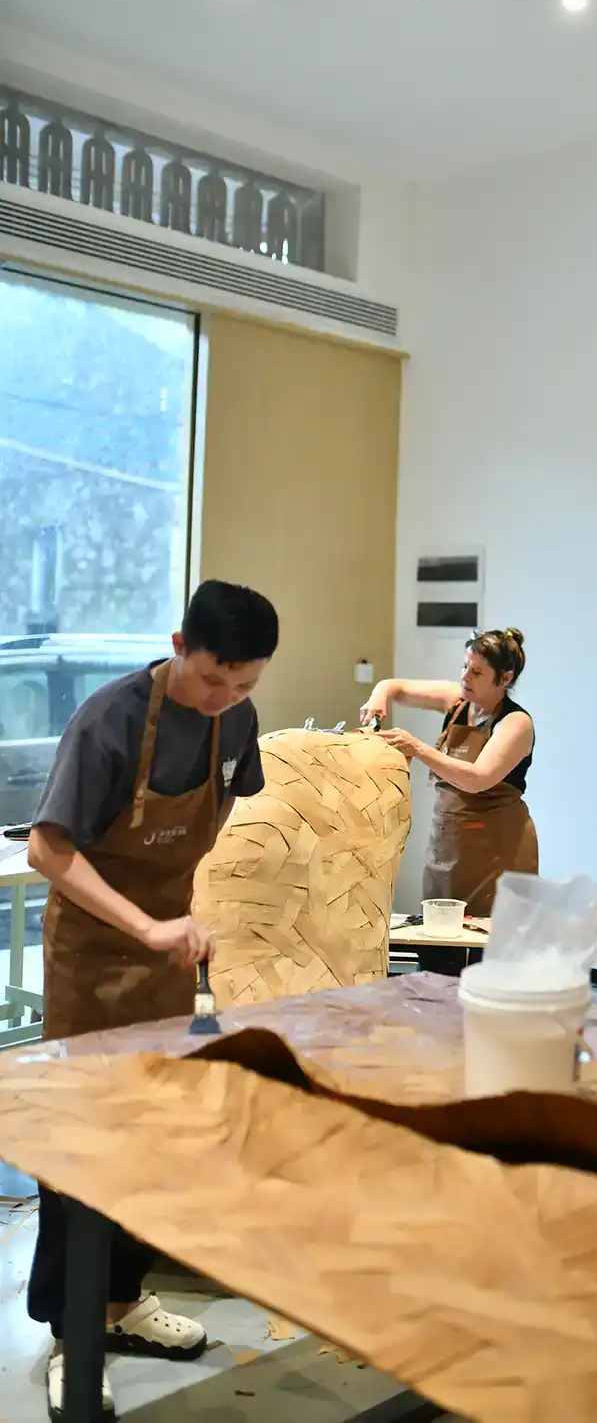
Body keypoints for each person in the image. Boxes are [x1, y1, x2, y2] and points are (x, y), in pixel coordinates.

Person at [26, 579, 279, 1419]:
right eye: (211, 679)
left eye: (243, 684)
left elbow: (217, 816)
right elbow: (47, 850)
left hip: (165, 953)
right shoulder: (108, 719)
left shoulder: (235, 720)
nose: (223, 699)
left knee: (152, 1136)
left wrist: (182, 917)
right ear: (178, 646)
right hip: (94, 958)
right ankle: (72, 1333)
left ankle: (121, 1301)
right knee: (83, 1145)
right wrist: (143, 924)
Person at [361, 628, 538, 920]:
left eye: (477, 672)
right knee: (439, 931)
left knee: (485, 937)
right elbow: (396, 689)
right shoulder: (458, 701)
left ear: (505, 679)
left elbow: (476, 779)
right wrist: (379, 697)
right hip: (449, 842)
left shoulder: (515, 723)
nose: (465, 677)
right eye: (464, 666)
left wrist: (417, 748)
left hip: (497, 849)